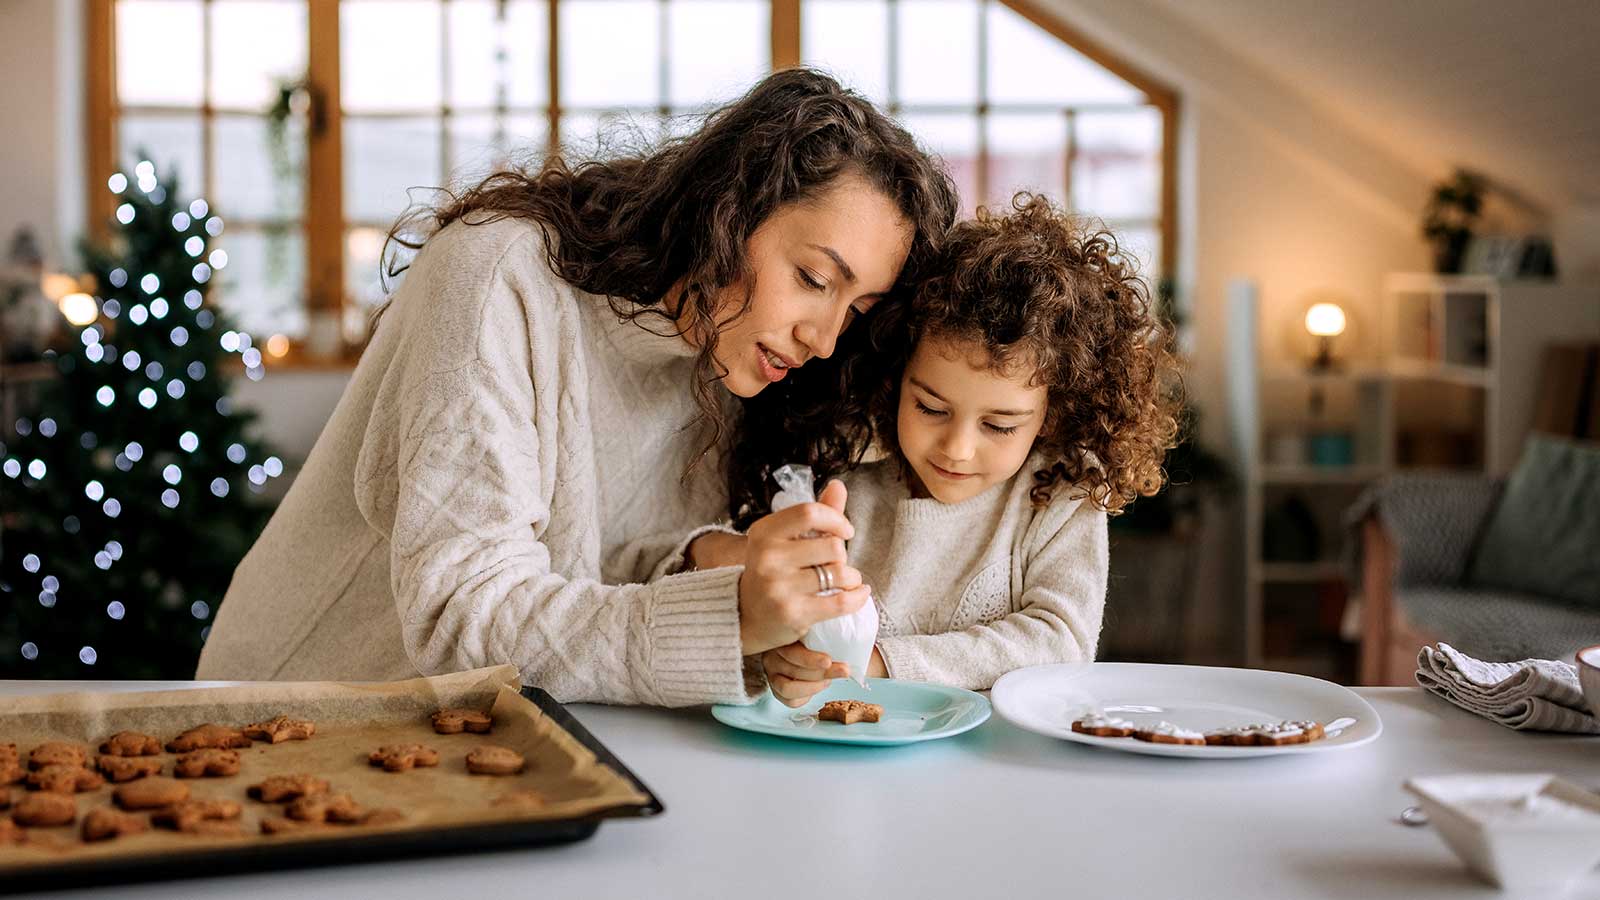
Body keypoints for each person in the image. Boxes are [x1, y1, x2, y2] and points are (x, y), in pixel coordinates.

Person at [195, 69, 959, 709]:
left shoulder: (729, 352)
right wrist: (728, 618)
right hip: (288, 710)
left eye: (854, 309)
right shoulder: (498, 276)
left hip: (490, 734)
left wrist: (731, 573)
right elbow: (465, 613)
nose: (823, 338)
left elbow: (605, 564)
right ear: (728, 209)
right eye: (813, 279)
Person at [703, 194, 1182, 704]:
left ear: (1053, 415)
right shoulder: (844, 468)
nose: (956, 449)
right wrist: (785, 655)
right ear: (894, 379)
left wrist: (883, 663)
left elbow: (1061, 640)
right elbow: (774, 608)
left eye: (999, 426)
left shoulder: (1065, 490)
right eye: (931, 408)